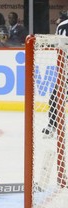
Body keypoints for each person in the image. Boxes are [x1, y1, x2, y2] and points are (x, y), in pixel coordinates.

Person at [42, 10, 68, 138]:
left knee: (55, 97)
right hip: (66, 71)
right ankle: (52, 125)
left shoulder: (62, 25)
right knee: (55, 97)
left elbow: (57, 45)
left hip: (66, 70)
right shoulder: (63, 25)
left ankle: (52, 126)